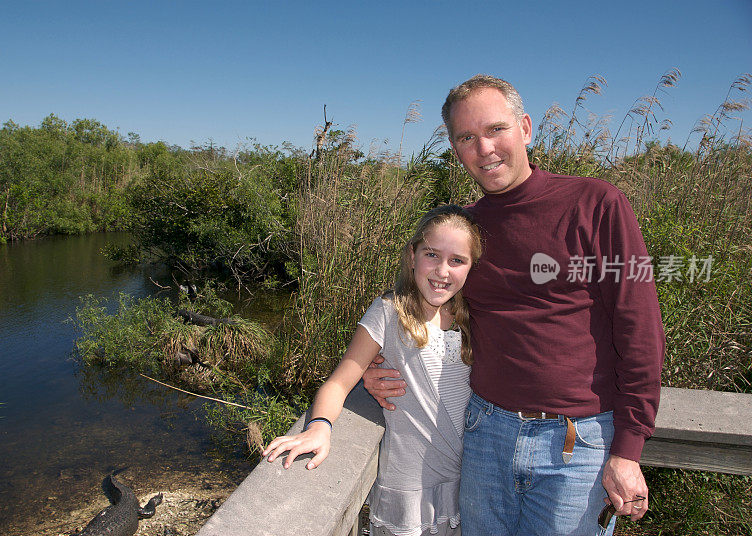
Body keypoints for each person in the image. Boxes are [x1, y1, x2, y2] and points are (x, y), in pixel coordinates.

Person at [363, 75, 665, 536]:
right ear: (455, 147)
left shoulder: (597, 204)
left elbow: (641, 329)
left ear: (524, 128)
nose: (484, 148)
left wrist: (627, 450)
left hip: (578, 443)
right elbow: (420, 309)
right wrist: (373, 365)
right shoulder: (465, 231)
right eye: (467, 137)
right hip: (485, 434)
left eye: (495, 130)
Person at [263, 204, 484, 536]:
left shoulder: (474, 317)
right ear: (412, 256)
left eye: (457, 260)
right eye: (431, 255)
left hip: (464, 483)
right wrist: (319, 426)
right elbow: (338, 383)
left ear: (470, 268)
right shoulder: (389, 312)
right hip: (408, 487)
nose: (442, 270)